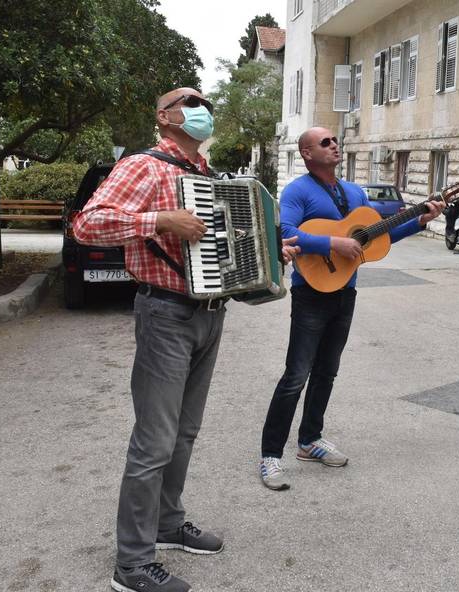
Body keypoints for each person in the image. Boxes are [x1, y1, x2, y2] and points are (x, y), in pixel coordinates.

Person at [73, 87, 299, 592]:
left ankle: (168, 524)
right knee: (153, 441)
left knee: (185, 432)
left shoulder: (206, 176)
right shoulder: (144, 166)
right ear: (163, 116)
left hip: (209, 315)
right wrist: (159, 219)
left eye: (206, 104)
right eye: (189, 101)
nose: (202, 110)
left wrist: (268, 255)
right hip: (164, 314)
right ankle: (131, 564)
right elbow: (88, 224)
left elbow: (232, 248)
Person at [258, 127, 444, 491]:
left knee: (327, 372)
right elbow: (287, 234)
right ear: (307, 154)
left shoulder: (354, 192)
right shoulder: (297, 190)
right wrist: (332, 243)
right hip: (311, 292)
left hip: (345, 293)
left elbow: (380, 234)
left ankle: (310, 440)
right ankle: (270, 456)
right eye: (324, 142)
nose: (334, 145)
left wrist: (419, 220)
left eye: (334, 140)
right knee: (296, 375)